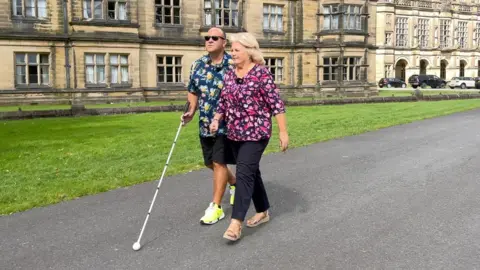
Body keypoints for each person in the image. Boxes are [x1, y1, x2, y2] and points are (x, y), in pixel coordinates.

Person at [209, 32, 289, 241]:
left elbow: (276, 105)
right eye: (232, 50)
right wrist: (217, 118)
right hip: (235, 133)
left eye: (236, 50)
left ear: (249, 51)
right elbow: (223, 102)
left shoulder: (261, 74)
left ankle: (236, 223)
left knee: (244, 173)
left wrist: (283, 132)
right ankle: (262, 211)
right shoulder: (229, 74)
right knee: (252, 171)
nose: (232, 54)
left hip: (257, 132)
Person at [181, 27, 237, 225]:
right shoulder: (198, 65)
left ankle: (216, 207)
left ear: (224, 42)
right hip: (204, 122)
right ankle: (234, 182)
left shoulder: (233, 64)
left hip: (227, 124)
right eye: (207, 37)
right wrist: (191, 111)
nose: (210, 40)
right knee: (209, 163)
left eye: (215, 37)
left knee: (219, 161)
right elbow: (193, 91)